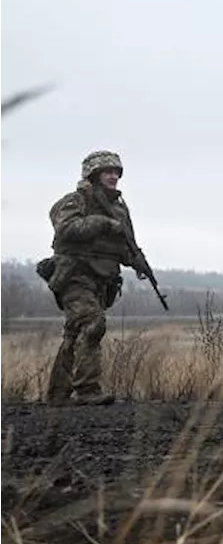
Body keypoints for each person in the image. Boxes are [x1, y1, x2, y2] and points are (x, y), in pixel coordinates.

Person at [36, 150, 154, 405]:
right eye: (107, 172)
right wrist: (102, 222)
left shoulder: (120, 210)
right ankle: (88, 390)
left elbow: (125, 245)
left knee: (74, 333)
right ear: (94, 174)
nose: (113, 176)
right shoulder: (73, 202)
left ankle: (57, 396)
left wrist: (138, 262)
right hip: (74, 275)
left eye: (116, 172)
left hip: (101, 279)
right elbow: (66, 231)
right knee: (92, 323)